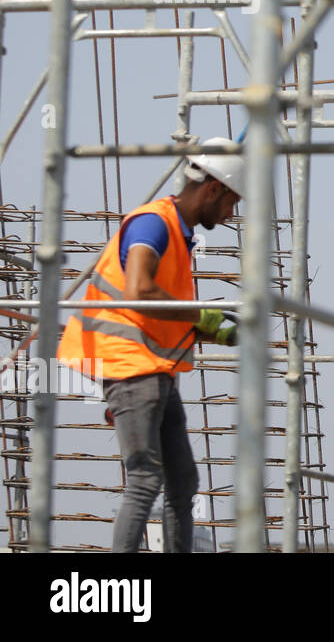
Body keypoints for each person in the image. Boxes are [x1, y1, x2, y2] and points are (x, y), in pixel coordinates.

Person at [58, 137, 243, 552]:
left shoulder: (177, 234)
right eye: (231, 201)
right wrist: (200, 316)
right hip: (128, 366)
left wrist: (213, 329)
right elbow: (140, 290)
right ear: (213, 189)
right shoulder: (152, 223)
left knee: (184, 481)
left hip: (154, 369)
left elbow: (161, 310)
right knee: (145, 479)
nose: (231, 214)